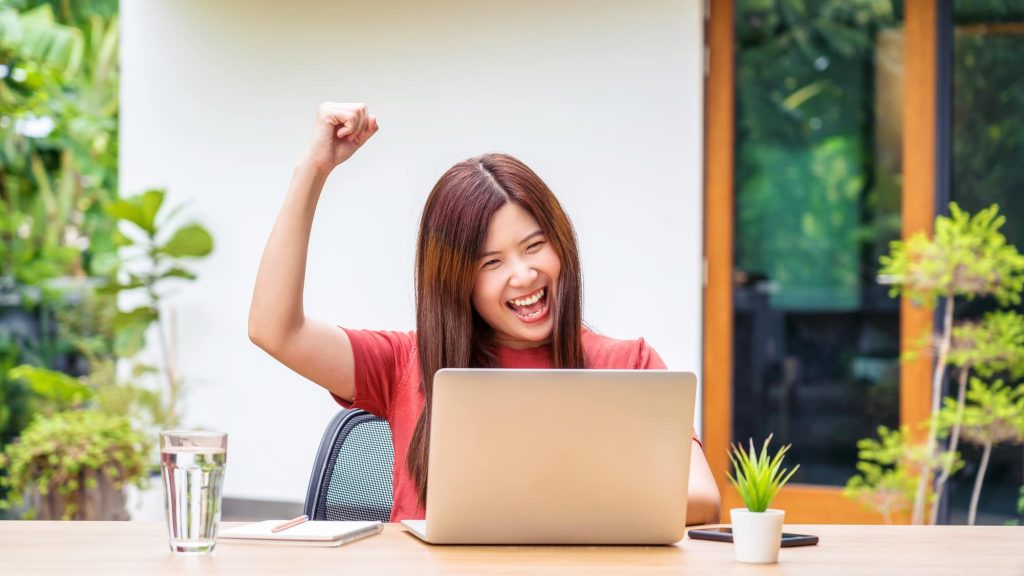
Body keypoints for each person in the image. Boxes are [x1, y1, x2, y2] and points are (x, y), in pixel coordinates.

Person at [249, 102, 722, 525]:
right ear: (458, 281)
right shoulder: (406, 361)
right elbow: (275, 330)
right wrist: (313, 169)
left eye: (535, 246)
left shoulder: (630, 366)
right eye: (491, 263)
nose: (524, 275)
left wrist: (555, 499)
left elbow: (701, 497)